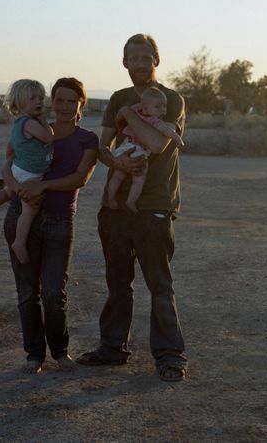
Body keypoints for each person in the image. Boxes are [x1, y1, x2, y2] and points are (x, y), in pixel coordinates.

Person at [76, 34, 188, 382]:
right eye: (133, 58)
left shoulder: (171, 100)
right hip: (116, 210)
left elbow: (155, 143)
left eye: (146, 58)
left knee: (159, 285)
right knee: (118, 283)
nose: (140, 64)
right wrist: (117, 163)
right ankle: (112, 349)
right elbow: (102, 146)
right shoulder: (117, 99)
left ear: (157, 60)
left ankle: (170, 357)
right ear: (124, 63)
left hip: (154, 206)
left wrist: (129, 114)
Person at [0, 77, 98, 374]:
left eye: (73, 101)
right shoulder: (33, 127)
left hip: (60, 220)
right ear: (51, 101)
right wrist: (16, 186)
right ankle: (34, 355)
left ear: (81, 104)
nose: (66, 106)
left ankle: (60, 351)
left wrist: (42, 186)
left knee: (54, 292)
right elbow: (8, 163)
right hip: (22, 214)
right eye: (60, 100)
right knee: (27, 291)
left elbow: (80, 178)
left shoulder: (87, 139)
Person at [0, 79, 53, 265]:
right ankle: (19, 242)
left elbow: (11, 147)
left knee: (7, 192)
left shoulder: (19, 122)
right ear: (18, 102)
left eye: (41, 98)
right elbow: (48, 137)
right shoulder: (30, 123)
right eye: (32, 98)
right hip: (29, 174)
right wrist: (44, 121)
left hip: (20, 169)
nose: (38, 102)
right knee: (30, 208)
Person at [106, 86, 184, 212]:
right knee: (139, 179)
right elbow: (166, 131)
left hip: (124, 147)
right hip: (138, 150)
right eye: (158, 107)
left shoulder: (134, 111)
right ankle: (131, 201)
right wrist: (177, 139)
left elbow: (122, 116)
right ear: (146, 107)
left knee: (117, 176)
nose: (163, 110)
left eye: (164, 106)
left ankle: (111, 197)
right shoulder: (154, 121)